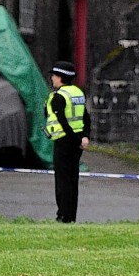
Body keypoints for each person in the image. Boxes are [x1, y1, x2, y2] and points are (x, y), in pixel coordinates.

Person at [45, 60, 90, 223]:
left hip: (65, 141)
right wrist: (85, 137)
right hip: (77, 142)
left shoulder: (59, 97)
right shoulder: (77, 93)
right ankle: (71, 216)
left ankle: (62, 215)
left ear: (61, 77)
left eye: (54, 76)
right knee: (73, 180)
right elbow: (86, 117)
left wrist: (76, 139)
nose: (52, 79)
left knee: (62, 181)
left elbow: (63, 122)